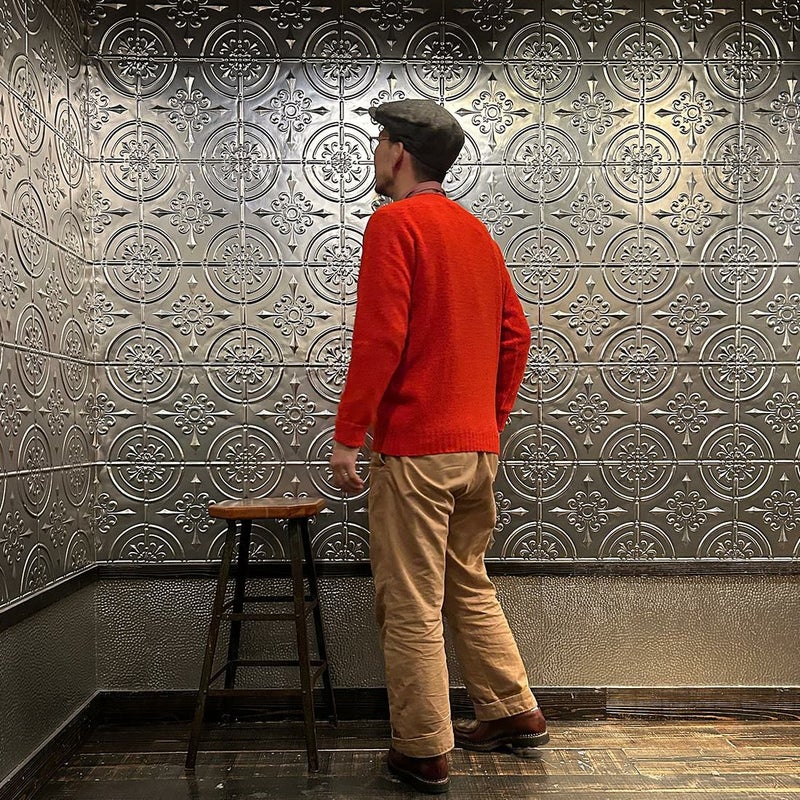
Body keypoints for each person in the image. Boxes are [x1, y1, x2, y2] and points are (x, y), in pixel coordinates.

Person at [329, 99, 548, 794]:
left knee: (411, 600)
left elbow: (380, 339)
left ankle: (423, 749)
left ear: (398, 151)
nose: (375, 155)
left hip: (417, 452)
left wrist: (349, 437)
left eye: (379, 143)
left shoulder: (394, 224)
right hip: (476, 452)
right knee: (466, 581)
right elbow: (517, 337)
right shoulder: (476, 232)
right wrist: (490, 420)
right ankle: (512, 711)